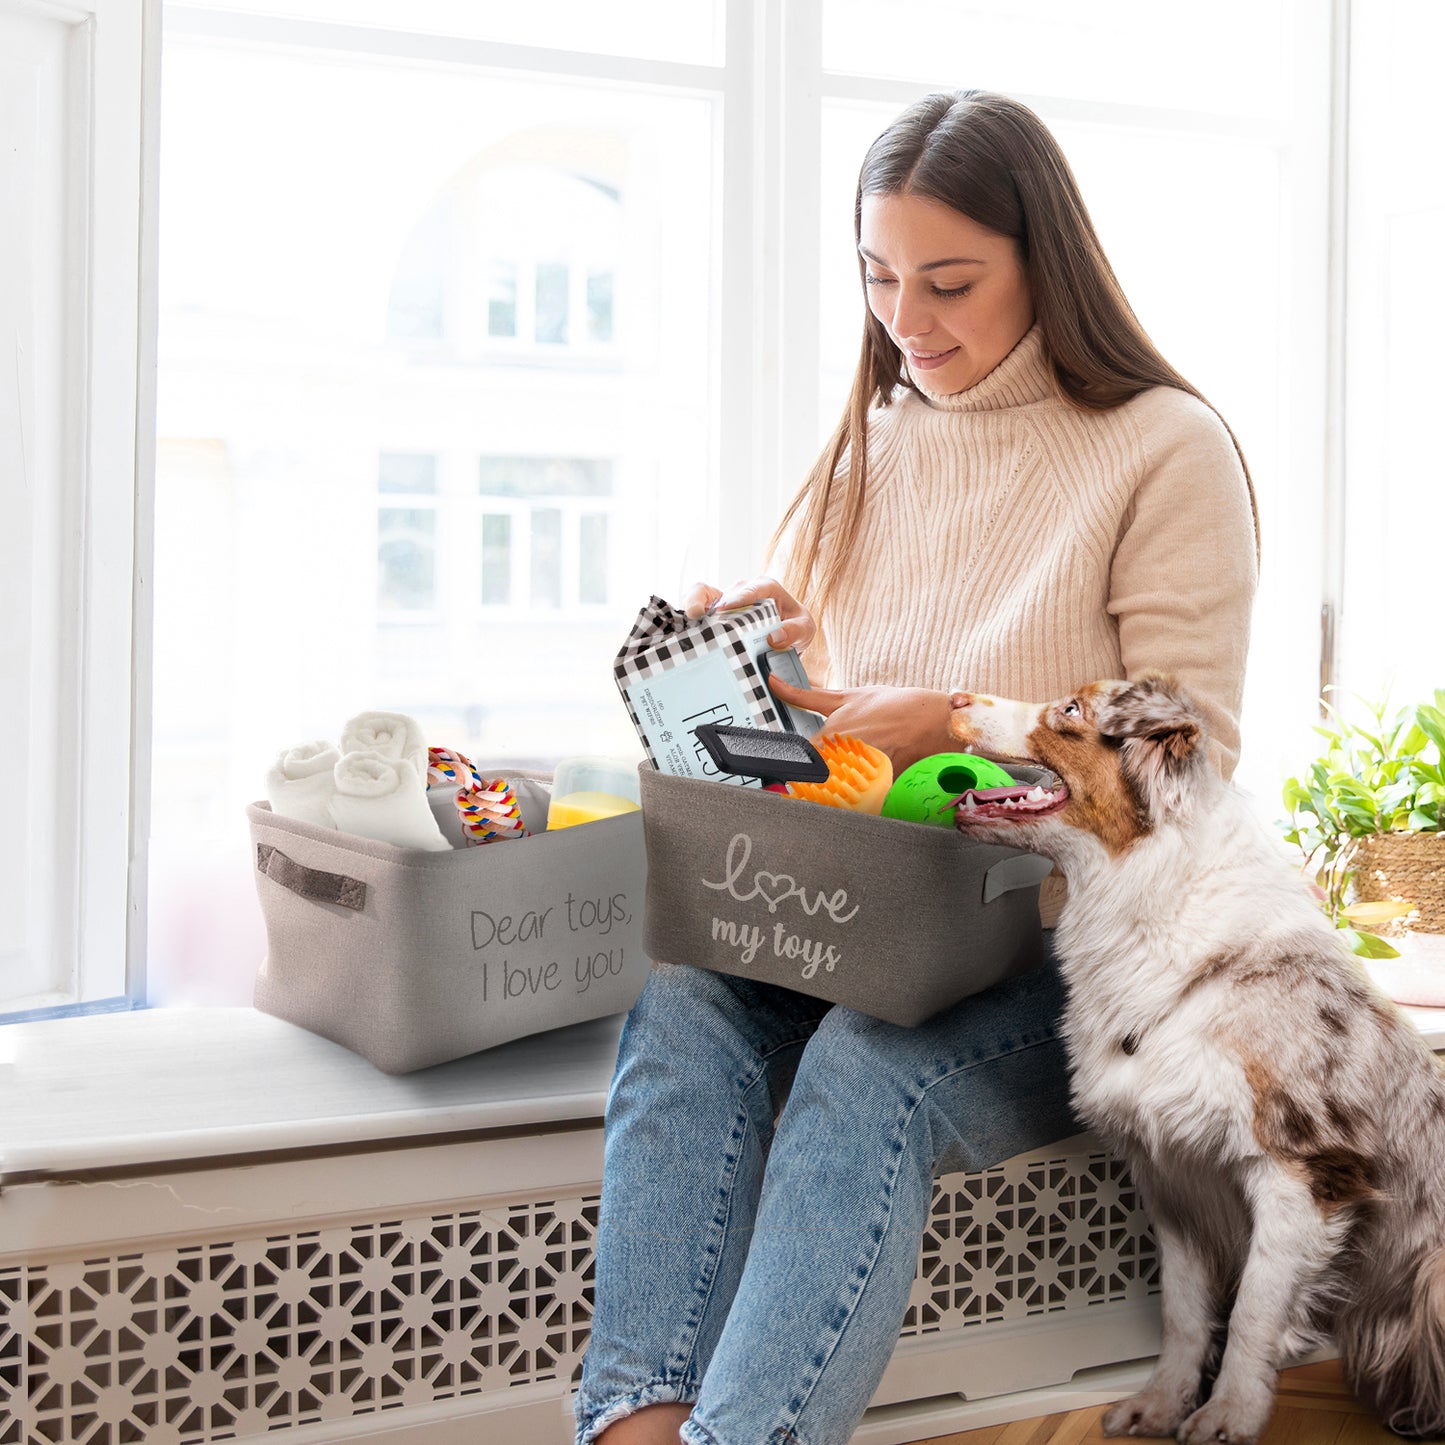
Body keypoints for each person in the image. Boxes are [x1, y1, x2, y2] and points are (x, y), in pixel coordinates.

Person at [574, 89, 1258, 1445]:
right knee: (686, 1001)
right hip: (870, 926)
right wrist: (762, 685)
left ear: (1042, 265)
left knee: (861, 1075)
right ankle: (629, 1433)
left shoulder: (1162, 447)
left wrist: (949, 719)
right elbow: (838, 760)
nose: (908, 319)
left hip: (1069, 961)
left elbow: (1187, 768)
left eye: (949, 282)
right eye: (879, 278)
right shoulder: (863, 452)